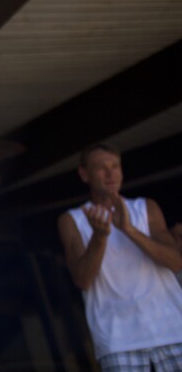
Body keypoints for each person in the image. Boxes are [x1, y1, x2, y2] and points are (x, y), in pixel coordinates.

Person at [57, 143, 182, 371]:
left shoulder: (146, 207)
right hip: (118, 340)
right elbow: (82, 280)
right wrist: (100, 237)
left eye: (115, 166)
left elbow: (176, 262)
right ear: (84, 174)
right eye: (101, 168)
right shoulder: (71, 219)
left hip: (173, 330)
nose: (110, 173)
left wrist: (129, 229)